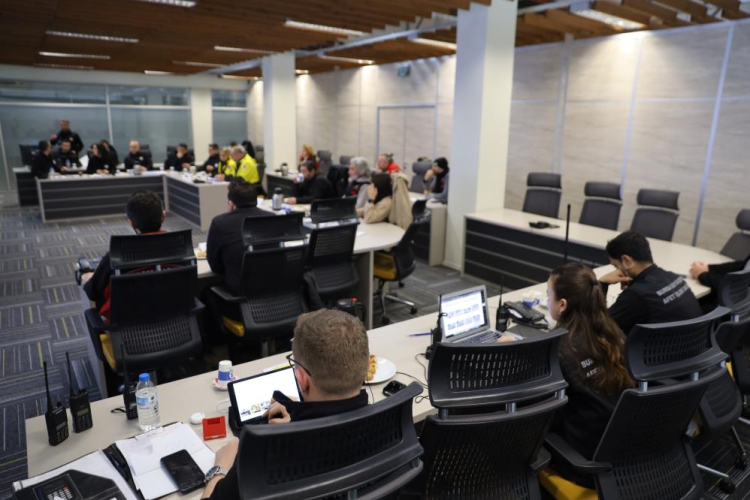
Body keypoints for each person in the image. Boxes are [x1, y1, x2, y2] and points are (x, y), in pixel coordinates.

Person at [202, 309, 370, 500]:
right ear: (367, 367)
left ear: (301, 379)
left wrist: (220, 467)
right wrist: (299, 417)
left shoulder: (266, 454)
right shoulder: (385, 424)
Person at [547, 263, 633, 466]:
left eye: (548, 294)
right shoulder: (613, 333)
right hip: (621, 444)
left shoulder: (557, 349)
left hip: (582, 460)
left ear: (562, 305)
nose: (547, 300)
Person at [600, 231, 702, 335]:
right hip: (694, 342)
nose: (617, 270)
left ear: (627, 261)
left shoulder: (636, 295)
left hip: (661, 344)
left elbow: (598, 326)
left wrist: (602, 283)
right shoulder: (674, 277)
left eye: (616, 266)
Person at [82, 191, 165, 318]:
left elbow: (93, 293)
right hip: (176, 322)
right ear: (163, 216)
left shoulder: (116, 255)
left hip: (128, 326)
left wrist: (87, 278)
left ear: (131, 223)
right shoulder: (180, 246)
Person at [206, 181, 266, 295]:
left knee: (206, 291)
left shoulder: (220, 222)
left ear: (231, 204)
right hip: (274, 287)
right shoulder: (271, 218)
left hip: (240, 292)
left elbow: (215, 266)